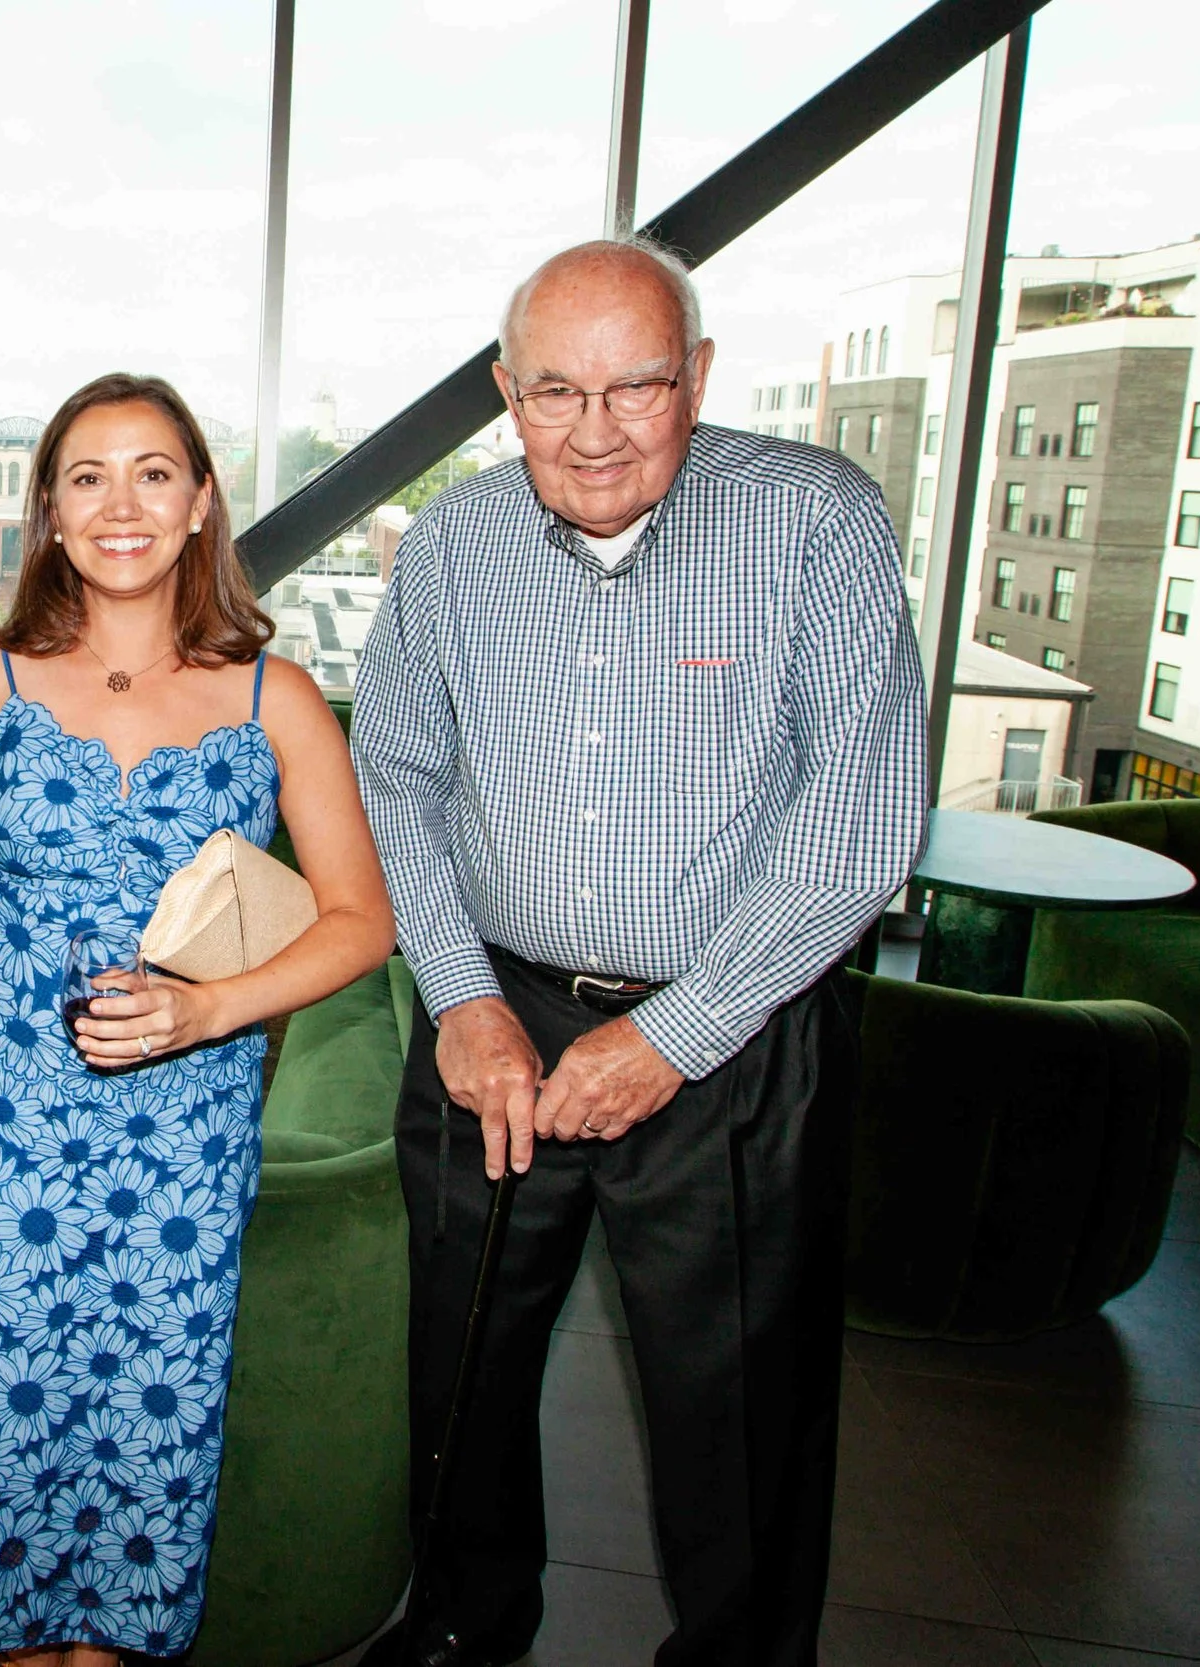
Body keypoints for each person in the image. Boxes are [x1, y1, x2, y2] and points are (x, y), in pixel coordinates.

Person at [352, 238, 928, 1667]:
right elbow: (398, 781)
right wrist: (462, 996)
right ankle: (465, 1622)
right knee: (461, 1362)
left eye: (638, 386)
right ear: (507, 392)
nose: (594, 430)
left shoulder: (818, 523)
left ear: (701, 377)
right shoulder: (451, 544)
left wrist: (671, 1036)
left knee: (739, 1405)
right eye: (556, 391)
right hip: (498, 1015)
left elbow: (860, 827)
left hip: (737, 1028)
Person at [0, 372, 395, 1662]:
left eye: (154, 474)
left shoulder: (276, 697)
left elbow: (360, 921)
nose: (121, 504)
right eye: (87, 477)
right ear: (47, 509)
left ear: (202, 501)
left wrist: (211, 1011)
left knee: (137, 1427)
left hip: (181, 1138)